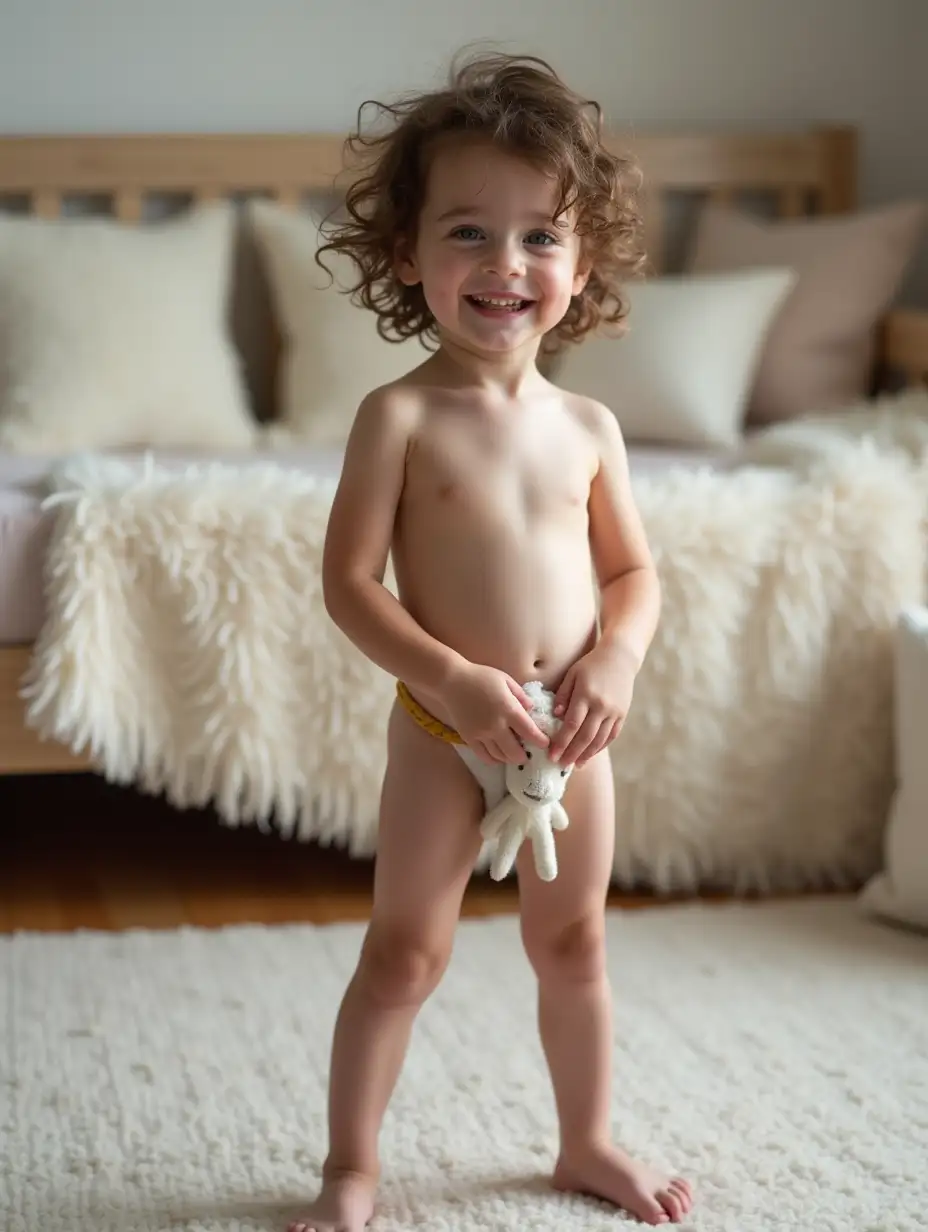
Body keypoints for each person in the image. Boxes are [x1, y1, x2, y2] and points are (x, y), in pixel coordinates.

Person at [289, 50, 694, 1231]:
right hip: (442, 729)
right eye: (467, 233)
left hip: (572, 734)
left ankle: (585, 1139)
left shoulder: (589, 425)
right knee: (405, 954)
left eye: (539, 237)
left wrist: (614, 656)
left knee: (573, 948)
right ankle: (349, 1167)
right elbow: (349, 581)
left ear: (583, 261)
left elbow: (633, 572)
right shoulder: (399, 415)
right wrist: (453, 676)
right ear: (406, 256)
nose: (504, 265)